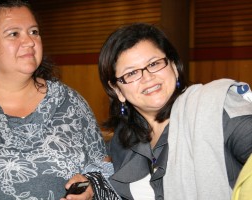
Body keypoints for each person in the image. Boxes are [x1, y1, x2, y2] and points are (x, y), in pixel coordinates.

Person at [0, 0, 113, 199]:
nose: (30, 41)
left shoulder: (69, 102)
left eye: (34, 32)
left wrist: (92, 186)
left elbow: (103, 167)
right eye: (14, 34)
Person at [95, 23, 252, 200]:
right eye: (131, 74)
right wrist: (92, 184)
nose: (148, 78)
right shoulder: (123, 138)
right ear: (118, 91)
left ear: (174, 67)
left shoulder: (214, 110)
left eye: (154, 64)